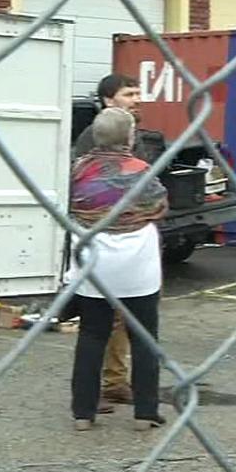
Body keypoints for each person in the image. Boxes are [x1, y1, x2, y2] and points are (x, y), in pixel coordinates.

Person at [67, 108, 168, 431]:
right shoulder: (141, 171)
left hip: (94, 263)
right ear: (129, 137)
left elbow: (69, 207)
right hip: (138, 264)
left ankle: (83, 412)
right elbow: (159, 207)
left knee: (92, 336)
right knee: (144, 337)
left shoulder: (77, 171)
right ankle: (145, 412)